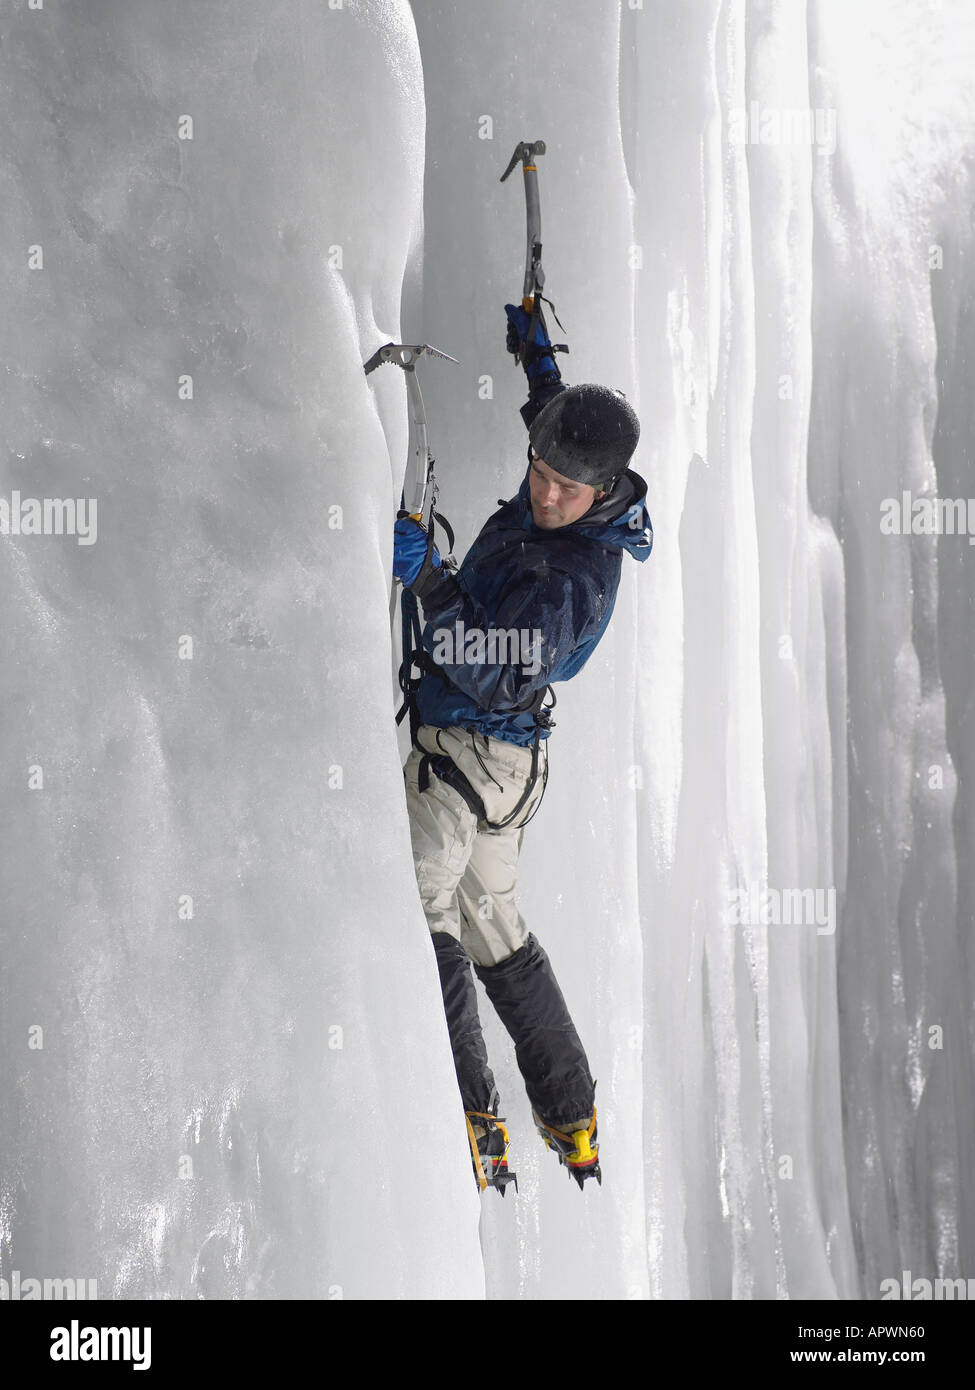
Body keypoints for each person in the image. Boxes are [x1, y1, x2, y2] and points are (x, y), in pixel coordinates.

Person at [394, 306, 653, 1191]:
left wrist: (427, 577)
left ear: (604, 491)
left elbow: (495, 669)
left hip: (476, 749)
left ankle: (467, 1112)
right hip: (510, 770)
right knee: (492, 923)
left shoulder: (572, 579)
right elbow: (557, 418)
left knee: (421, 896)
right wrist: (540, 359)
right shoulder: (574, 468)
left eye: (565, 489)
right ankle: (571, 1116)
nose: (545, 495)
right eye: (539, 473)